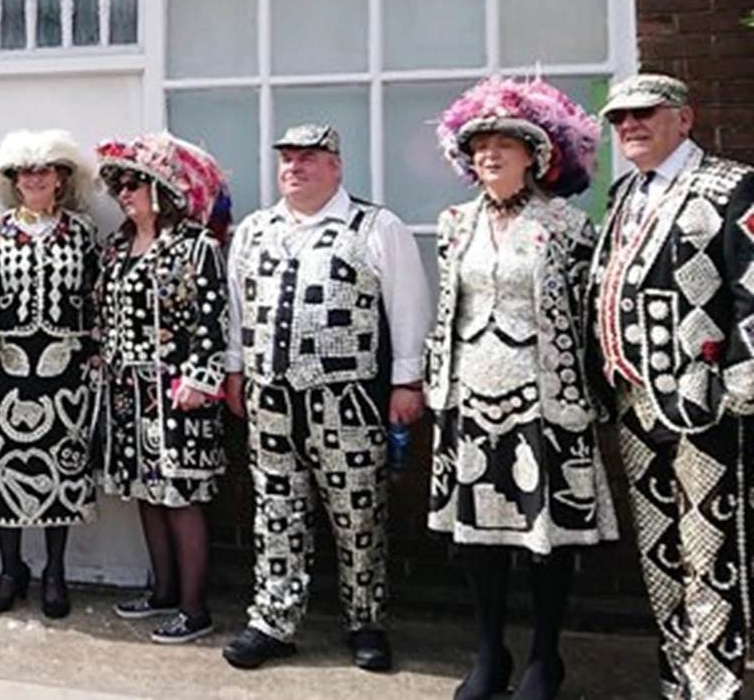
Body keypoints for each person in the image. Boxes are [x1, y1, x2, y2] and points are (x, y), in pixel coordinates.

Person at [426, 77, 617, 700]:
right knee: (478, 535)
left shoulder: (565, 225)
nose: (488, 155)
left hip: (545, 396)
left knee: (545, 535)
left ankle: (544, 658)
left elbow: (589, 316)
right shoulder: (454, 224)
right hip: (472, 392)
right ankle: (489, 655)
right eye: (478, 147)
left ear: (535, 155)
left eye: (503, 145)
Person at [220, 123, 432, 674]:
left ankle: (366, 620)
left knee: (358, 509)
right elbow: (238, 310)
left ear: (336, 165)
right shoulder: (256, 229)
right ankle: (273, 619)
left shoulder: (374, 225)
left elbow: (408, 305)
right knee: (275, 508)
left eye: (308, 158)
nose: (294, 167)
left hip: (349, 396)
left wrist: (407, 381)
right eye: (287, 158)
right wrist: (236, 371)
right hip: (270, 396)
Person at [591, 73, 754, 700]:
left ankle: (715, 684)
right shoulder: (625, 190)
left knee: (708, 548)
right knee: (659, 549)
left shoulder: (730, 184)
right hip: (633, 399)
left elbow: (752, 287)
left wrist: (739, 385)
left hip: (703, 402)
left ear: (683, 120)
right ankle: (678, 675)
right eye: (619, 119)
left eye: (644, 114)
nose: (629, 125)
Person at [94, 133, 232, 645]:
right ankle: (163, 592)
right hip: (128, 391)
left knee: (180, 494)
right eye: (121, 187)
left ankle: (196, 610)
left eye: (135, 184)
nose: (125, 194)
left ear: (162, 190)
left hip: (177, 392)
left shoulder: (197, 246)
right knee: (145, 493)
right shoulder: (115, 246)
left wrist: (200, 378)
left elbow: (212, 319)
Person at [0, 129, 99, 620]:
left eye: (44, 171)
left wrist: (97, 350)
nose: (34, 180)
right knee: (6, 463)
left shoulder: (82, 231)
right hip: (11, 366)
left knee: (62, 464)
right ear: (13, 181)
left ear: (61, 178)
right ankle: (10, 570)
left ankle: (54, 571)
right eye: (25, 172)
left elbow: (98, 297)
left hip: (66, 365)